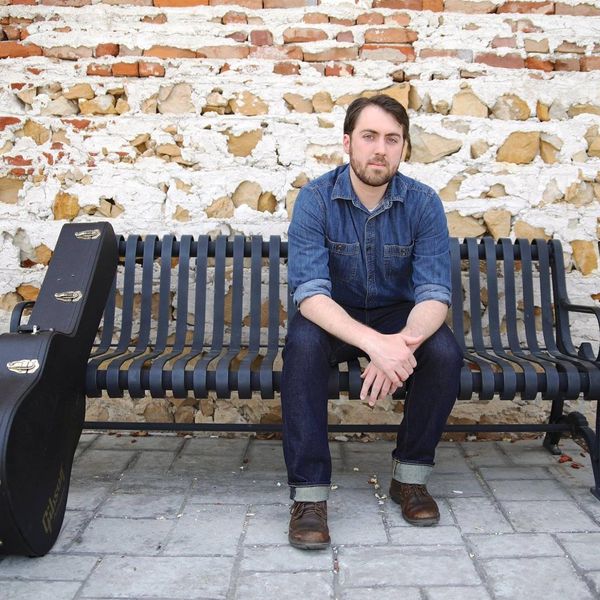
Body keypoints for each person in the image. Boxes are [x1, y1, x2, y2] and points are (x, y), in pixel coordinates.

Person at [281, 94, 463, 550]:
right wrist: (375, 345)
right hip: (333, 316)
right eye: (369, 136)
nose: (380, 149)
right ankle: (309, 497)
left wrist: (400, 344)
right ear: (348, 143)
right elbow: (310, 295)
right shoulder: (315, 199)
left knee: (444, 351)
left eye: (392, 139)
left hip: (399, 315)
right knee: (302, 345)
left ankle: (410, 478)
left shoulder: (423, 203)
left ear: (403, 147)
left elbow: (434, 294)